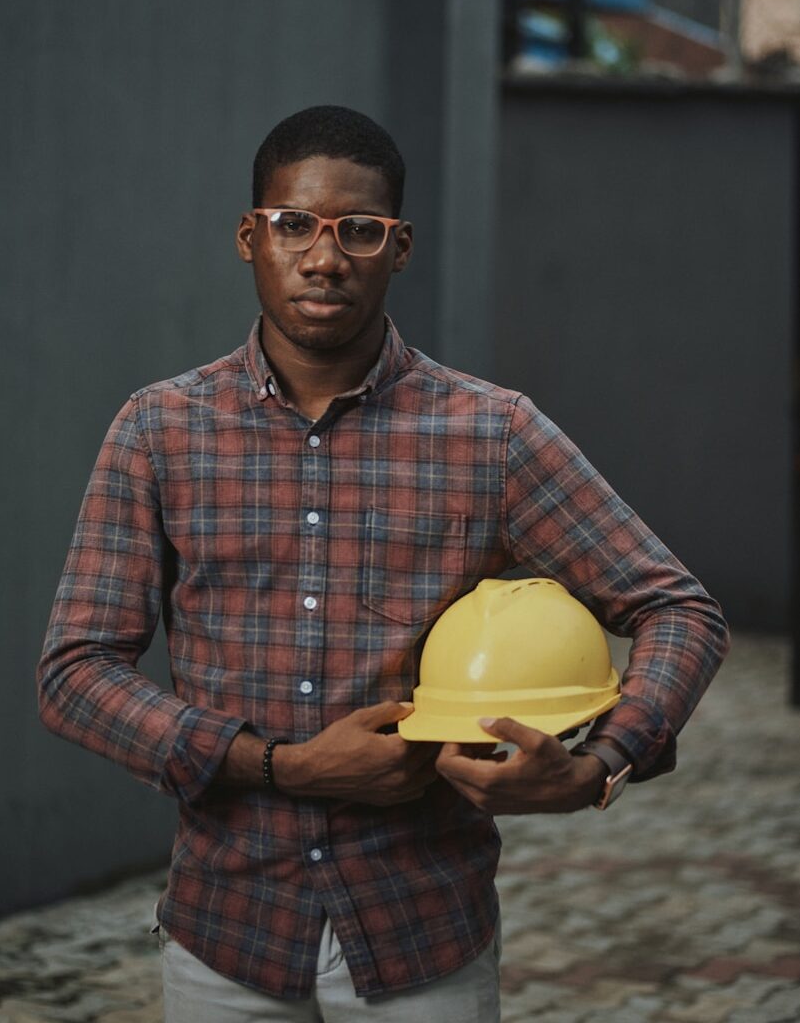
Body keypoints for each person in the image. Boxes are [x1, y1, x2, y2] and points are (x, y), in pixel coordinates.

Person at [39, 105, 729, 1022]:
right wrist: (278, 765)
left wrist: (600, 765)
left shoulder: (492, 432)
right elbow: (74, 674)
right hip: (228, 933)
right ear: (251, 237)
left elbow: (677, 608)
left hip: (422, 933)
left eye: (358, 231)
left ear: (397, 248)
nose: (326, 259)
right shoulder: (160, 431)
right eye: (295, 226)